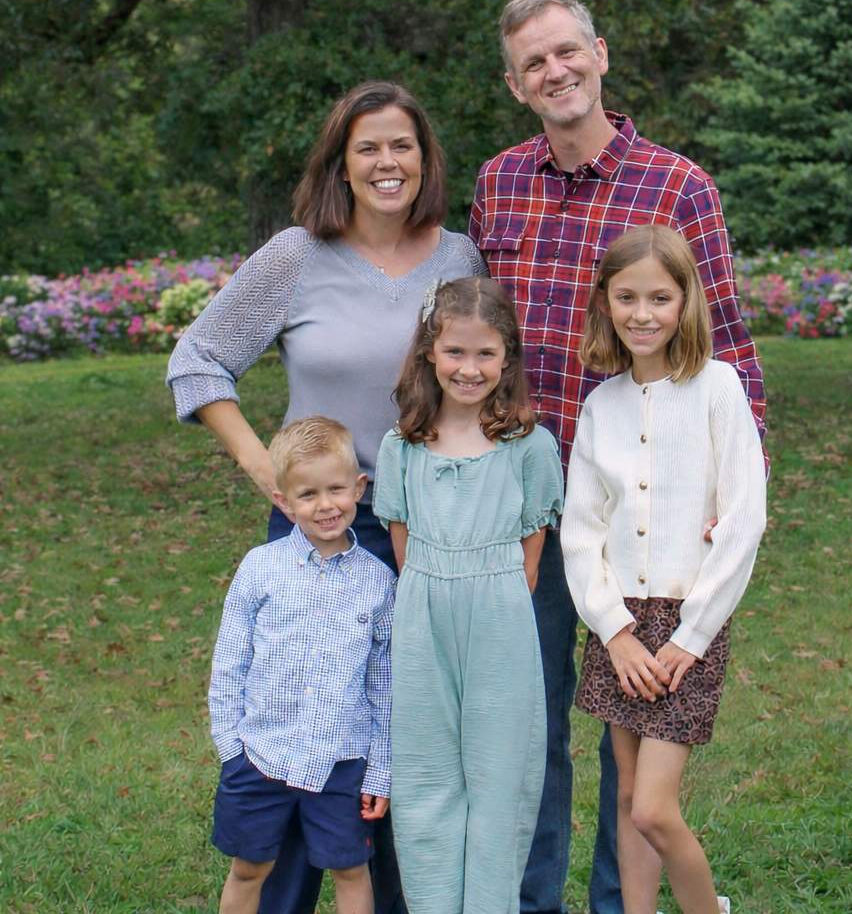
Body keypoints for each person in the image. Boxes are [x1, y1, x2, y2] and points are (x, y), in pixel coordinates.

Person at [468, 0, 767, 914]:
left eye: (567, 52)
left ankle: (619, 904)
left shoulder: (677, 186)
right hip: (523, 507)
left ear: (599, 53)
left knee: (630, 738)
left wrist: (731, 487)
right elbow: (474, 339)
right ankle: (530, 901)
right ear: (515, 85)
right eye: (534, 64)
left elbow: (729, 345)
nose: (555, 72)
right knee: (531, 724)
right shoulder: (498, 185)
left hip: (646, 517)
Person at [169, 80, 488, 914]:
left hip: (431, 530)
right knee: (298, 725)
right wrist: (258, 461)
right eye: (368, 147)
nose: (388, 163)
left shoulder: (460, 258)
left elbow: (484, 376)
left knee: (392, 738)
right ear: (341, 163)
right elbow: (198, 358)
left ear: (426, 159)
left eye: (403, 145)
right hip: (320, 528)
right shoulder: (296, 256)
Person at [562, 226, 766, 914]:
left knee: (654, 806)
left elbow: (743, 520)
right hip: (619, 623)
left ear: (685, 302)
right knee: (623, 793)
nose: (641, 313)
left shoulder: (718, 389)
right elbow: (581, 531)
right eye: (626, 297)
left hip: (687, 624)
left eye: (659, 297)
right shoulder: (601, 406)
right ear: (605, 304)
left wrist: (691, 635)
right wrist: (614, 631)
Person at [372, 277, 564, 914]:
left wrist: (488, 592)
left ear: (507, 356)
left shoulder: (529, 447)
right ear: (430, 350)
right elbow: (403, 547)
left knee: (499, 773)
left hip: (501, 616)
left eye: (486, 354)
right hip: (423, 613)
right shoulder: (402, 446)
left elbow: (530, 555)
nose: (470, 368)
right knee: (427, 771)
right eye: (455, 352)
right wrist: (436, 590)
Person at [208, 417, 397, 914]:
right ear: (285, 501)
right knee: (249, 869)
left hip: (342, 762)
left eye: (336, 489)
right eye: (308, 494)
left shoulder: (379, 582)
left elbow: (384, 684)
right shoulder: (260, 568)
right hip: (260, 754)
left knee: (351, 871)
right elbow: (230, 662)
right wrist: (232, 747)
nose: (325, 505)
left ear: (360, 487)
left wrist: (379, 770)